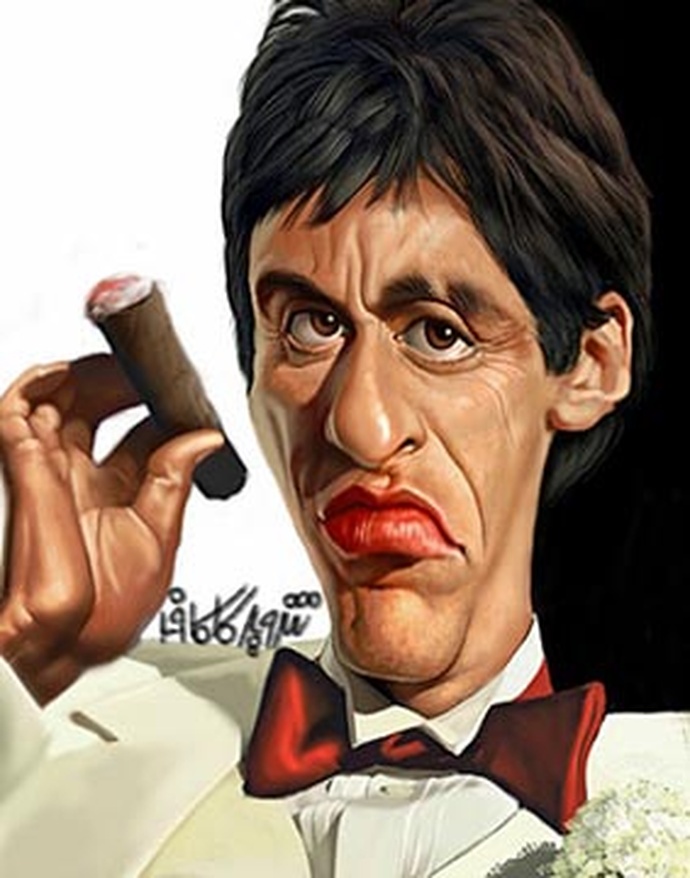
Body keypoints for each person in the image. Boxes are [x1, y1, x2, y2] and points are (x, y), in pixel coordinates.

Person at [0, 1, 687, 876]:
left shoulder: (670, 793)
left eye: (439, 333)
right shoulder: (73, 725)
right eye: (310, 325)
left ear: (589, 364)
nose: (362, 427)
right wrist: (30, 652)